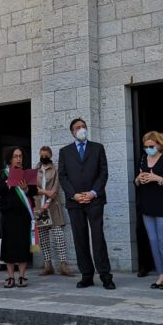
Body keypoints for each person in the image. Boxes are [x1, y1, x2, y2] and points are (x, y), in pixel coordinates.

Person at [58, 119, 115, 290]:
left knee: (98, 237)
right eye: (77, 128)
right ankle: (87, 275)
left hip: (94, 199)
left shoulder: (97, 148)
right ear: (72, 132)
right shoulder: (65, 151)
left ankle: (105, 276)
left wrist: (92, 192)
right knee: (80, 238)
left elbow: (103, 172)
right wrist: (74, 195)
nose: (81, 129)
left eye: (83, 127)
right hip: (75, 201)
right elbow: (63, 176)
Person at [134, 131, 163, 289]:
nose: (148, 149)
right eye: (146, 146)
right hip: (147, 203)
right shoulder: (142, 159)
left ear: (160, 145)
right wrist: (138, 180)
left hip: (162, 204)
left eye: (151, 146)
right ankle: (160, 274)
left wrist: (157, 179)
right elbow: (137, 180)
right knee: (152, 241)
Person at [0, 147, 37, 288]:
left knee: (22, 244)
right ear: (10, 158)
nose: (18, 159)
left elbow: (34, 191)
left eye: (20, 156)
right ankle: (10, 276)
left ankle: (22, 276)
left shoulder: (27, 173)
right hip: (8, 214)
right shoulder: (2, 174)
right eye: (15, 156)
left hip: (23, 214)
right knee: (9, 245)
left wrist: (26, 189)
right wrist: (8, 183)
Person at [34, 146, 74, 277]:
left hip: (52, 206)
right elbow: (34, 187)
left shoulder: (55, 169)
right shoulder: (35, 169)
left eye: (46, 155)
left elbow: (55, 189)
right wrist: (45, 193)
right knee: (44, 237)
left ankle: (64, 265)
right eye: (41, 155)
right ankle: (48, 265)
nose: (43, 157)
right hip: (40, 206)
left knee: (58, 236)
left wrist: (48, 201)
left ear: (50, 156)